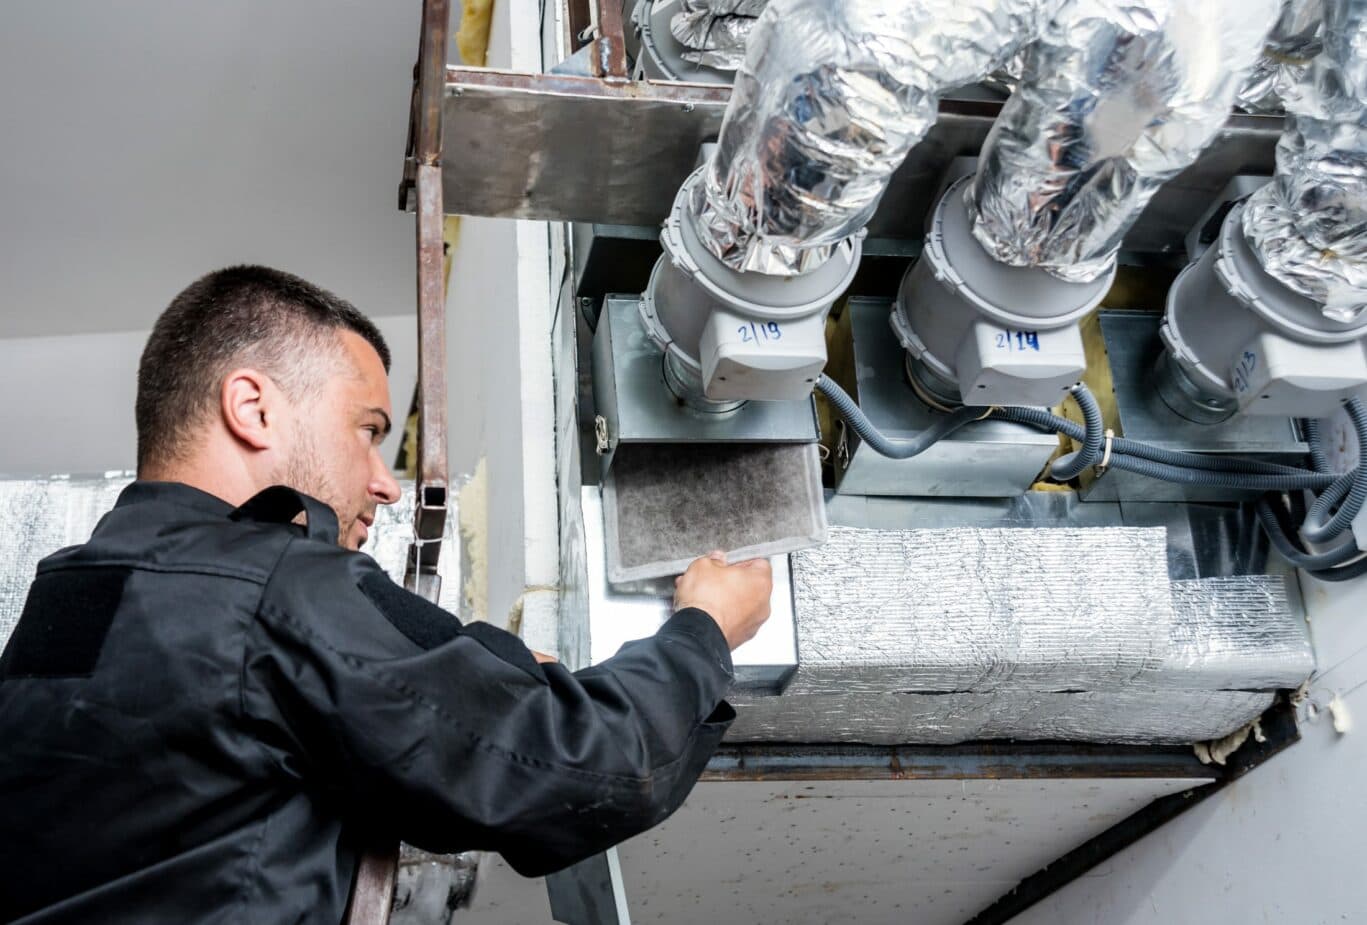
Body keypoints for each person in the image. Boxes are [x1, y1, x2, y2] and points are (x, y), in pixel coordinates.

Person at [0, 265, 773, 924]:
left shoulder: (62, 607)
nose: (385, 483)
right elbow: (579, 765)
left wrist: (483, 668)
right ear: (253, 407)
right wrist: (703, 630)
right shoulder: (273, 585)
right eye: (366, 429)